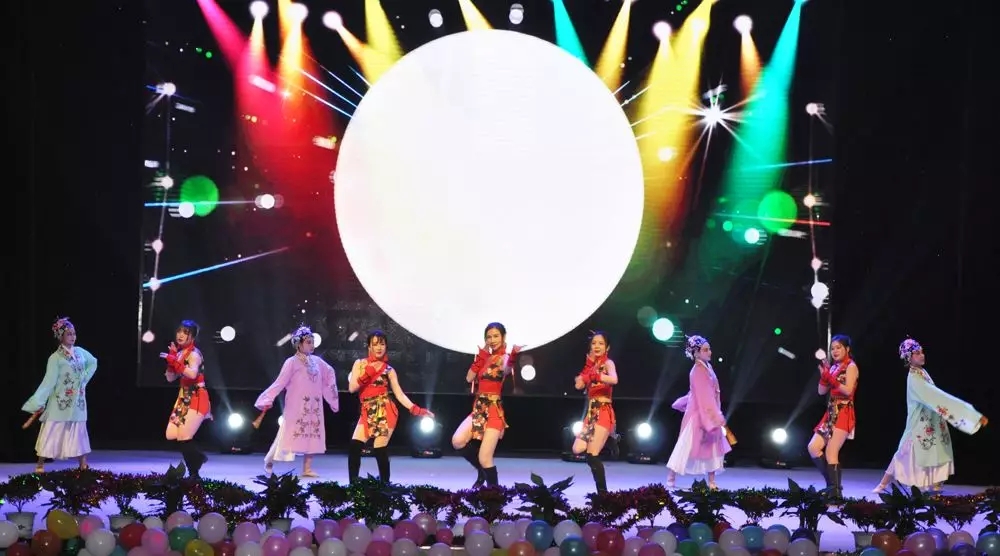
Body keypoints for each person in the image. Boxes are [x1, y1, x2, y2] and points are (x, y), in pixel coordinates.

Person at [871, 338, 989, 492]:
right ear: (909, 358)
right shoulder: (914, 378)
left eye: (922, 352)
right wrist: (970, 414)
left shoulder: (922, 372)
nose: (922, 355)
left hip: (930, 422)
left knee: (937, 451)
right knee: (904, 453)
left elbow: (936, 397)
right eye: (917, 353)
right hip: (918, 423)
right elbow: (938, 397)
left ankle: (936, 485)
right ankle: (883, 484)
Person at [347, 330, 432, 483]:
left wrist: (417, 410)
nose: (379, 347)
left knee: (379, 449)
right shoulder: (359, 364)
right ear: (369, 347)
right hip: (367, 410)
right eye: (375, 344)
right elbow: (352, 388)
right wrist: (368, 374)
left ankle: (385, 486)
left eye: (382, 344)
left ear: (386, 346)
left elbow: (400, 395)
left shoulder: (389, 370)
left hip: (385, 411)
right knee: (354, 447)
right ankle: (353, 485)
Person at [255, 326, 340, 477]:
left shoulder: (317, 362)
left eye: (312, 342)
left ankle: (307, 468)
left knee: (313, 433)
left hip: (314, 404)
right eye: (308, 342)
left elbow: (330, 373)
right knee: (286, 434)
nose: (312, 345)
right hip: (296, 405)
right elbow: (280, 382)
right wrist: (268, 398)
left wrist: (331, 396)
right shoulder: (291, 362)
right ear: (299, 344)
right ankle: (269, 460)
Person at [22, 317, 98, 473]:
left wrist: (84, 379)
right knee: (52, 431)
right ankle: (40, 464)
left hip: (78, 402)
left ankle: (83, 465)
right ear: (60, 337)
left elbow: (93, 362)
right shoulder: (55, 358)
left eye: (74, 333)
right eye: (69, 334)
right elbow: (48, 382)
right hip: (60, 402)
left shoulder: (80, 352)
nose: (73, 336)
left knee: (79, 432)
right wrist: (39, 402)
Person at [451, 322, 523, 488]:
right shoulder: (484, 358)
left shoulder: (504, 358)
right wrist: (482, 356)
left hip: (493, 410)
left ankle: (494, 496)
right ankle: (482, 472)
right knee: (457, 440)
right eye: (489, 337)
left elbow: (506, 369)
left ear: (503, 337)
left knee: (485, 458)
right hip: (478, 408)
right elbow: (469, 378)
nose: (492, 340)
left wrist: (513, 355)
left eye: (496, 336)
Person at [666, 335, 731, 490]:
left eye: (709, 349)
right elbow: (704, 395)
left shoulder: (707, 367)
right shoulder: (698, 370)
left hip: (709, 410)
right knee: (686, 445)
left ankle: (712, 481)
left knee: (712, 446)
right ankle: (671, 476)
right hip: (698, 413)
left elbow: (702, 393)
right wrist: (715, 416)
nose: (710, 352)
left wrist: (715, 413)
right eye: (705, 350)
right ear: (696, 353)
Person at [806, 334, 859, 498]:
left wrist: (831, 379)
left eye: (838, 347)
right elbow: (821, 392)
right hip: (830, 413)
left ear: (847, 349)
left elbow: (848, 390)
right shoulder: (834, 367)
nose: (835, 351)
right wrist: (824, 377)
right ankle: (832, 487)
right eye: (832, 348)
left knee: (831, 452)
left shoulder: (851, 366)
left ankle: (835, 495)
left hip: (844, 411)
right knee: (813, 448)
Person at [161, 319, 212, 478]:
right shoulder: (180, 353)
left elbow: (192, 374)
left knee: (184, 437)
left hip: (197, 397)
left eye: (185, 332)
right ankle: (198, 457)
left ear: (193, 337)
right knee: (171, 434)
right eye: (179, 331)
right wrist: (171, 363)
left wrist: (175, 362)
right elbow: (170, 378)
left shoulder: (194, 354)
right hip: (183, 398)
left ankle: (194, 473)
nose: (181, 335)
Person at [571, 330, 618, 494]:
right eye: (594, 343)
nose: (597, 346)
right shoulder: (591, 366)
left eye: (601, 343)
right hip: (591, 414)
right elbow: (578, 385)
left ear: (607, 347)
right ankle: (610, 440)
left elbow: (614, 379)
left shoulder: (608, 363)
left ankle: (603, 495)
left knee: (592, 455)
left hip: (603, 411)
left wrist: (597, 376)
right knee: (577, 449)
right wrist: (588, 368)